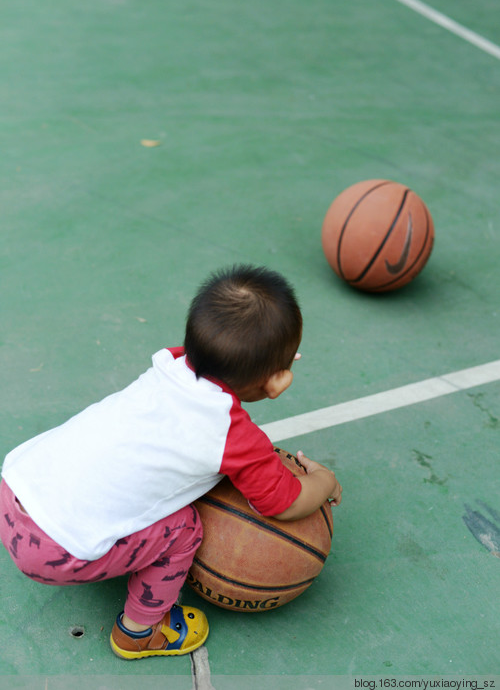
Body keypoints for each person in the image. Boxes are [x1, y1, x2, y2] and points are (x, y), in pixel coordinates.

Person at [0, 264, 342, 660]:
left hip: (15, 487)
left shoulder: (169, 365)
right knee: (183, 529)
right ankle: (140, 631)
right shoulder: (231, 435)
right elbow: (286, 503)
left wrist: (266, 362)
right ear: (277, 381)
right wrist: (325, 481)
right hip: (52, 549)